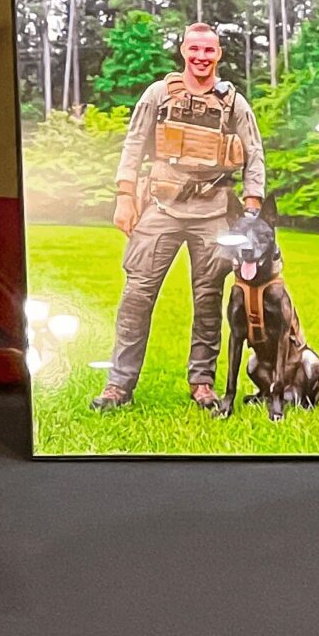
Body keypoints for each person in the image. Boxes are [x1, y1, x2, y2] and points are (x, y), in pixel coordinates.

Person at [92, 22, 265, 413]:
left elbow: (254, 153)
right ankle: (119, 384)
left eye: (209, 50)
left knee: (208, 298)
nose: (201, 57)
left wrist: (252, 205)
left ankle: (202, 382)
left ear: (218, 54)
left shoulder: (233, 102)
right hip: (161, 206)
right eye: (195, 49)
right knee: (136, 296)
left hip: (215, 210)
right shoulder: (158, 94)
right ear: (183, 51)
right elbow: (134, 143)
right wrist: (124, 196)